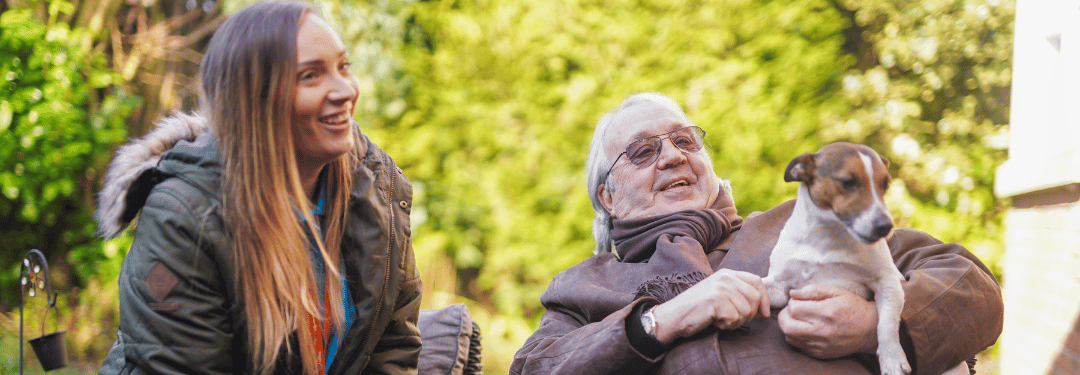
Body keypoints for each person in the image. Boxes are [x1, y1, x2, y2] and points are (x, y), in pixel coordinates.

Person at [510, 92, 1003, 374]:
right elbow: (535, 368)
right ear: (608, 198)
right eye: (642, 152)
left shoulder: (804, 222)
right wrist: (660, 321)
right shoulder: (584, 286)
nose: (673, 155)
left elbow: (972, 287)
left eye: (684, 140)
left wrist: (874, 324)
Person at [94, 2, 421, 374]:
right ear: (254, 101)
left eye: (343, 67)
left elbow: (393, 348)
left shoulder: (378, 189)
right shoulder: (184, 219)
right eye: (311, 76)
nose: (345, 90)